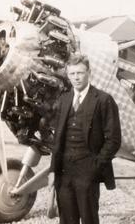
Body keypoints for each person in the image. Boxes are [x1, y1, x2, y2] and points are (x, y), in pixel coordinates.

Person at [49, 53, 121, 224]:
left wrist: (95, 167)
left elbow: (114, 140)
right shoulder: (64, 100)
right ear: (68, 74)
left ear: (89, 72)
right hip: (64, 172)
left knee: (89, 219)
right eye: (72, 74)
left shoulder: (104, 100)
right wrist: (53, 170)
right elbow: (57, 140)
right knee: (66, 220)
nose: (76, 77)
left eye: (80, 73)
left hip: (88, 171)